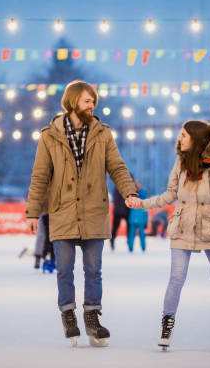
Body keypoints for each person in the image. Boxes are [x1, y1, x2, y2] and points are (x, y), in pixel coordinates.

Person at [26, 80, 137, 347]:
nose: (92, 105)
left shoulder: (103, 134)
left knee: (93, 270)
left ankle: (92, 318)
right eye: (88, 101)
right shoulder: (49, 136)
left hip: (94, 210)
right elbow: (40, 176)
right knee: (64, 269)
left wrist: (129, 192)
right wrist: (32, 212)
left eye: (93, 101)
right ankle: (68, 315)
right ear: (74, 101)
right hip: (62, 211)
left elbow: (118, 168)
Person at [127, 120, 210, 352]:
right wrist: (142, 203)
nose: (180, 139)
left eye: (184, 135)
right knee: (176, 278)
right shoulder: (180, 163)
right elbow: (170, 195)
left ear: (197, 139)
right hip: (182, 225)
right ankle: (167, 323)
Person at [127, 179, 148, 253]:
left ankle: (143, 248)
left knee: (141, 234)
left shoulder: (142, 195)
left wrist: (146, 221)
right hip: (133, 218)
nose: (138, 186)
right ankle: (130, 248)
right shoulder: (132, 195)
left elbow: (146, 210)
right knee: (132, 234)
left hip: (140, 218)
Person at [110, 185, 130, 250]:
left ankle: (112, 240)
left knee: (115, 227)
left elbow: (115, 198)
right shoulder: (128, 187)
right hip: (124, 210)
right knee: (128, 226)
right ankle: (128, 241)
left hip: (118, 210)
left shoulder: (117, 187)